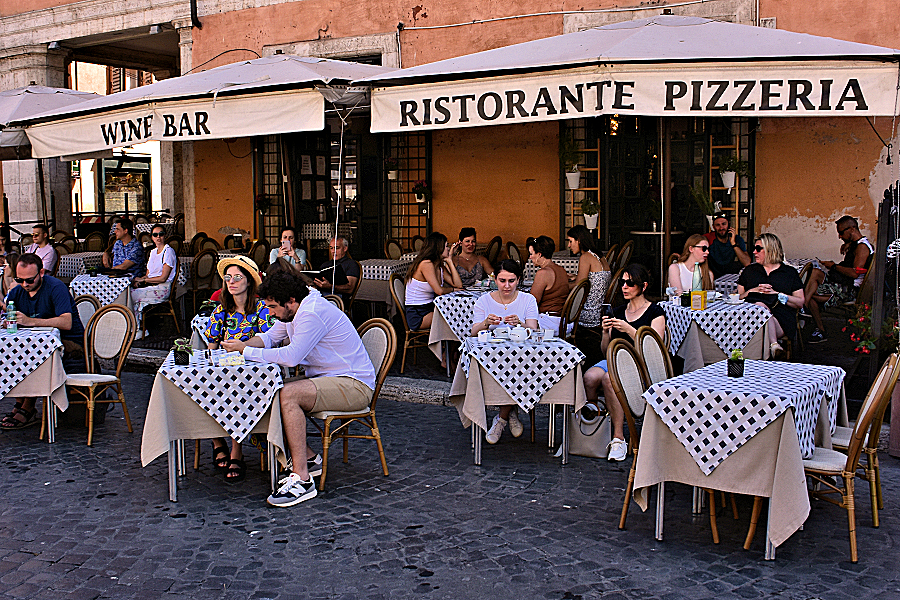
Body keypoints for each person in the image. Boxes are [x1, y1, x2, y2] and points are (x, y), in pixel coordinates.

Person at [221, 271, 376, 507]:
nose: (270, 313)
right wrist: (238, 347)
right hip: (329, 379)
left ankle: (302, 479)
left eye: (273, 307)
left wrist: (246, 351)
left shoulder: (311, 312)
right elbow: (269, 338)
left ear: (290, 301)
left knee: (288, 394)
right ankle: (311, 460)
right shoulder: (294, 309)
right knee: (264, 392)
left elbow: (292, 357)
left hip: (353, 384)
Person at [582, 264, 665, 462]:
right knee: (589, 377)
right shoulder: (617, 311)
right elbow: (605, 350)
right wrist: (604, 332)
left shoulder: (655, 312)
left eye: (630, 283)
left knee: (611, 380)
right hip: (614, 360)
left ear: (643, 286)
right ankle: (598, 423)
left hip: (642, 365)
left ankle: (618, 437)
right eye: (622, 283)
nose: (625, 287)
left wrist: (629, 330)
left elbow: (655, 350)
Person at [204, 255, 273, 482]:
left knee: (236, 392)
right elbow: (211, 344)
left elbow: (269, 339)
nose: (231, 282)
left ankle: (236, 450)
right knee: (206, 388)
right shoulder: (221, 309)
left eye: (237, 277)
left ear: (248, 282)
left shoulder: (262, 309)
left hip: (252, 371)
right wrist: (211, 363)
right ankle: (217, 441)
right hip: (224, 369)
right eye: (227, 278)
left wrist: (243, 347)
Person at [0, 253, 85, 430]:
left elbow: (66, 322)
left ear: (42, 272)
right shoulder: (17, 292)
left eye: (29, 280)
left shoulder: (56, 287)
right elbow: (9, 319)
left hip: (70, 343)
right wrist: (7, 321)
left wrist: (30, 321)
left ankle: (28, 407)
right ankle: (20, 401)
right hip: (34, 343)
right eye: (19, 279)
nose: (25, 284)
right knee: (12, 351)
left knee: (33, 353)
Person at [470, 259, 540, 444]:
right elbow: (473, 332)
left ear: (518, 280)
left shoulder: (528, 299)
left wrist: (520, 323)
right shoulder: (484, 300)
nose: (507, 286)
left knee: (518, 368)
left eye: (511, 281)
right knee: (506, 369)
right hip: (492, 357)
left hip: (523, 357)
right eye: (502, 281)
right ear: (495, 280)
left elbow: (533, 329)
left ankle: (501, 418)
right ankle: (512, 413)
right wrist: (486, 323)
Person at [803, 216, 874, 343]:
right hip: (842, 283)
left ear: (852, 229)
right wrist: (848, 244)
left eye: (841, 232)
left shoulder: (862, 248)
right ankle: (804, 304)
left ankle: (811, 317)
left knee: (812, 295)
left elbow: (854, 273)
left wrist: (834, 266)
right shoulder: (856, 245)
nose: (840, 236)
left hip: (849, 289)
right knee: (815, 272)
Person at [737, 233, 805, 358]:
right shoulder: (749, 271)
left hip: (781, 320)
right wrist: (753, 290)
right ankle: (774, 346)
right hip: (749, 320)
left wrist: (778, 295)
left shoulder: (789, 273)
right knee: (760, 306)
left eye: (758, 249)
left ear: (770, 250)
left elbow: (800, 302)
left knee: (761, 307)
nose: (754, 252)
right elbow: (738, 298)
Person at [566, 225, 611, 366]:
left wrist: (559, 284)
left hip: (588, 313)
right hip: (600, 310)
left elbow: (579, 286)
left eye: (571, 241)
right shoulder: (599, 256)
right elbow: (590, 279)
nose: (569, 245)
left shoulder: (585, 257)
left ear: (579, 240)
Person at [403, 232, 463, 332]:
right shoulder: (426, 264)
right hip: (418, 313)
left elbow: (458, 284)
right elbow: (439, 291)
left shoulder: (438, 265)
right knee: (454, 317)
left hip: (429, 307)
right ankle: (448, 347)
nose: (448, 248)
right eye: (446, 246)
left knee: (457, 315)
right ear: (438, 248)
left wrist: (449, 261)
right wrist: (453, 290)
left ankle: (449, 347)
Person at [129, 224, 177, 340]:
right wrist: (140, 282)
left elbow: (163, 278)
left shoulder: (168, 252)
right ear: (152, 237)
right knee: (128, 292)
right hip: (151, 285)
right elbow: (148, 274)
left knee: (132, 296)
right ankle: (133, 327)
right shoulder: (153, 252)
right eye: (155, 235)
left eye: (161, 234)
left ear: (165, 236)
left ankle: (139, 329)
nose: (158, 237)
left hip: (162, 288)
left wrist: (143, 279)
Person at [527, 235, 569, 332]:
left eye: (531, 253)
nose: (530, 257)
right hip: (563, 321)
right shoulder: (561, 269)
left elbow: (532, 303)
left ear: (539, 255)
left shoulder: (543, 273)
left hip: (548, 322)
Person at [312, 236, 359, 304]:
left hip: (339, 299)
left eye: (337, 248)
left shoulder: (351, 264)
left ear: (345, 248)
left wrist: (330, 286)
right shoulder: (325, 265)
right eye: (331, 248)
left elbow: (350, 288)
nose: (333, 251)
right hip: (321, 296)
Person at [703, 212, 751, 277]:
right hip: (711, 276)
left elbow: (747, 263)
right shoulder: (707, 238)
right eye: (718, 225)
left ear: (729, 224)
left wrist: (734, 244)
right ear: (713, 227)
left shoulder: (737, 239)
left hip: (730, 276)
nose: (721, 228)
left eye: (724, 224)